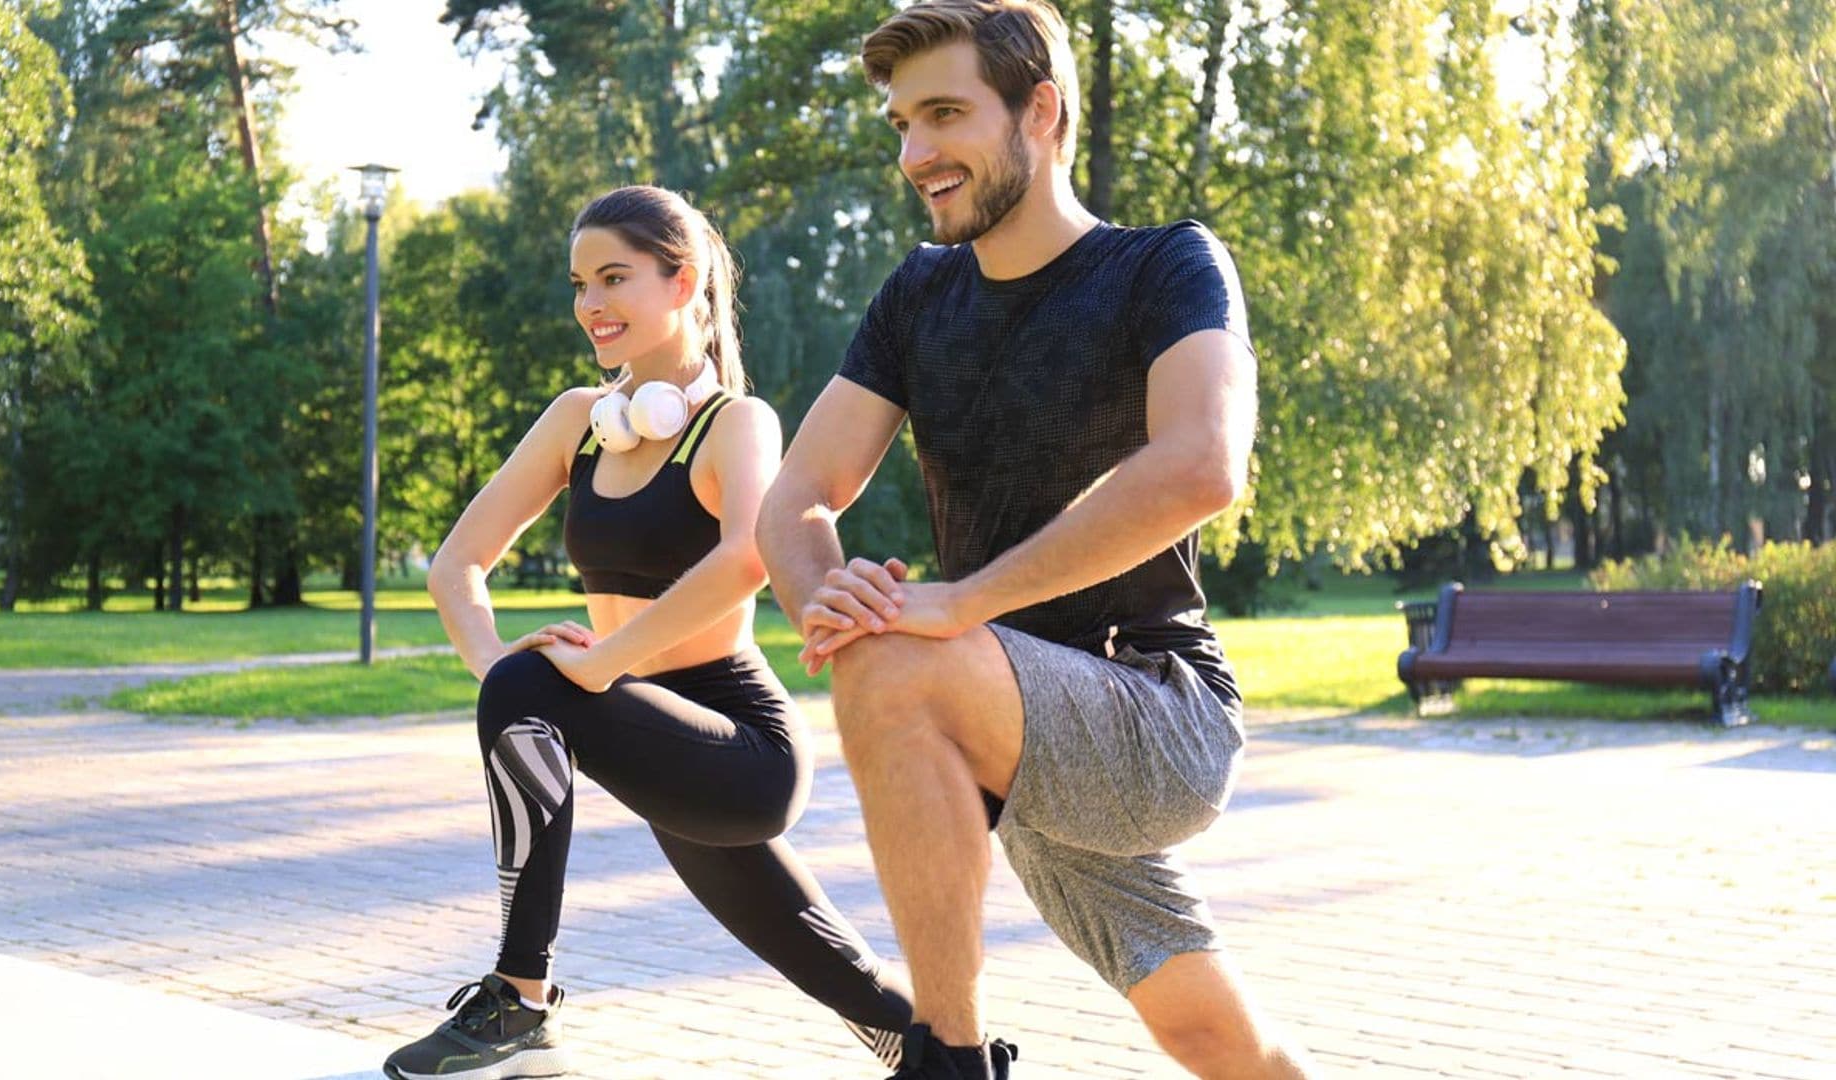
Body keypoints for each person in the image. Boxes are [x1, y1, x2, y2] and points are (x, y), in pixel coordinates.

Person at [756, 3, 1320, 1079]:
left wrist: (955, 607)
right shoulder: (922, 292)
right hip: (1004, 727)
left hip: (1153, 711)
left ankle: (948, 1060)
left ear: (1041, 113)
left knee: (897, 658)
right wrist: (830, 601)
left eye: (945, 114)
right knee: (1219, 1044)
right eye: (902, 125)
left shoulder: (1165, 266)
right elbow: (792, 505)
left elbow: (1204, 462)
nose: (917, 153)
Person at [386, 185, 914, 1080]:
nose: (591, 303)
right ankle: (943, 1050)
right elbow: (454, 568)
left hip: (739, 742)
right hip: (640, 721)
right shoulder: (577, 424)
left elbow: (749, 556)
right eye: (579, 283)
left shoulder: (735, 424)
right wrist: (497, 670)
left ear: (685, 282)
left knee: (537, 685)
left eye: (615, 277)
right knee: (820, 956)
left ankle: (521, 997)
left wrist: (600, 668)